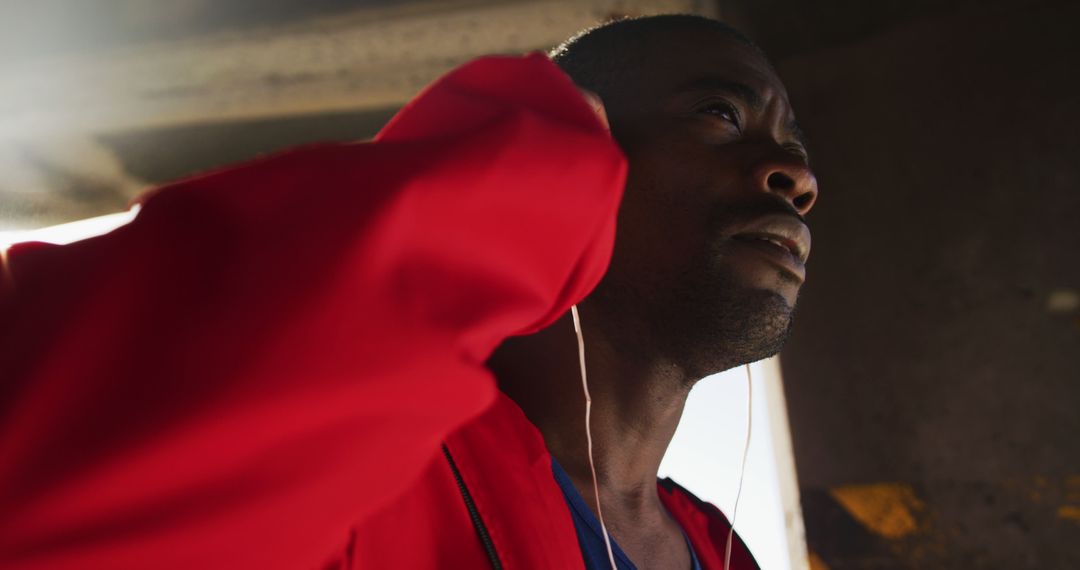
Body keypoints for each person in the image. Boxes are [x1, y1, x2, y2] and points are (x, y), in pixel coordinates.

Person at [0, 14, 815, 570]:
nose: (798, 178)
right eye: (720, 114)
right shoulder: (371, 475)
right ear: (585, 138)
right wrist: (503, 176)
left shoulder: (716, 548)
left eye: (794, 147)